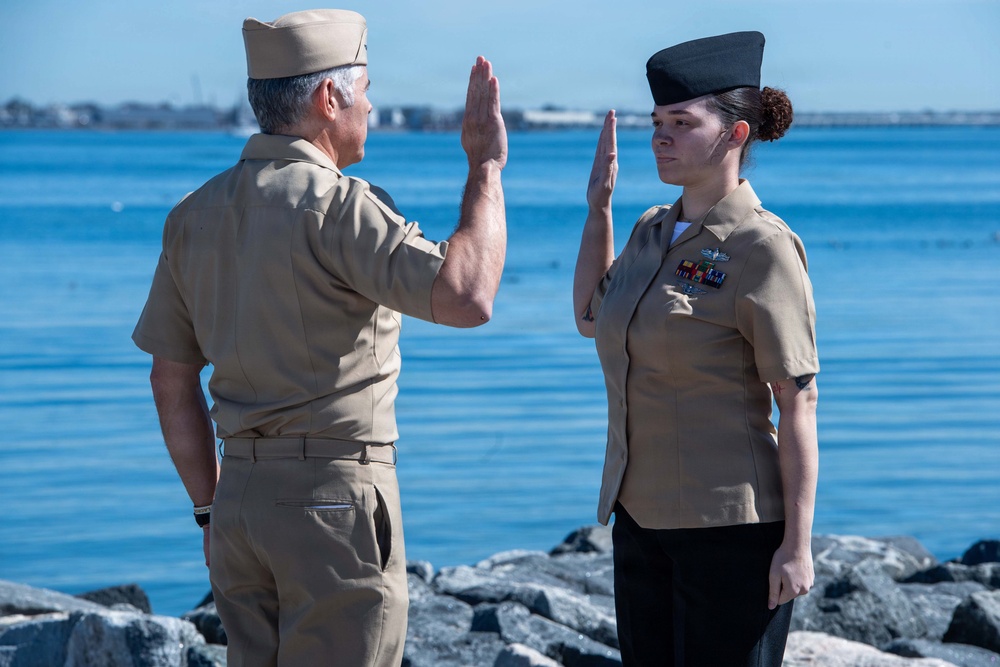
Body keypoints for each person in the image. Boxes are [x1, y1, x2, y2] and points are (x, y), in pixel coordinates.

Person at [132, 9, 506, 666]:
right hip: (334, 498)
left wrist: (208, 509)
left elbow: (170, 377)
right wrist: (486, 169)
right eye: (366, 90)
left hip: (239, 500)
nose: (373, 106)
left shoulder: (193, 215)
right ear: (329, 99)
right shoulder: (341, 207)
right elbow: (467, 295)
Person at [573, 31, 819, 666]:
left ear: (735, 134)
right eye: (657, 121)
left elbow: (797, 402)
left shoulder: (761, 248)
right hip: (640, 518)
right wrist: (598, 209)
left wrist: (797, 545)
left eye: (682, 122)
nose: (661, 136)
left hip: (730, 529)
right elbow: (588, 317)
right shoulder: (649, 231)